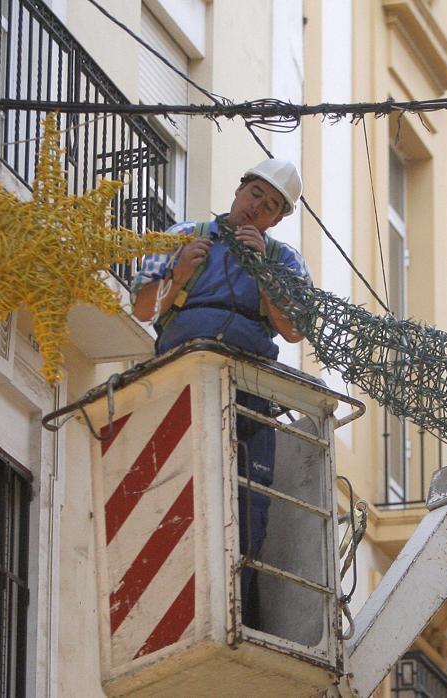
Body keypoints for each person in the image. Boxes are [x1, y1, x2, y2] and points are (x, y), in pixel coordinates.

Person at [130, 159, 311, 629]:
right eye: (255, 194)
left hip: (248, 384)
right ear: (239, 188)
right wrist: (179, 273)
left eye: (271, 206)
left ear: (278, 219)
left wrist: (265, 274)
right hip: (183, 373)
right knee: (178, 481)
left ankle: (238, 605)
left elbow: (294, 329)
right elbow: (142, 306)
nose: (257, 208)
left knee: (247, 498)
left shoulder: (284, 260)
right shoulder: (184, 234)